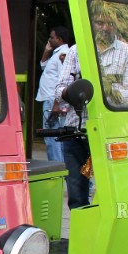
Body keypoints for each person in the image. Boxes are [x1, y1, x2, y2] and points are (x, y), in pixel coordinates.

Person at [54, 45, 91, 208]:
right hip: (76, 129)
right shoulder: (76, 51)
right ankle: (81, 231)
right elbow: (59, 90)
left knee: (113, 192)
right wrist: (70, 92)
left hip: (111, 132)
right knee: (76, 196)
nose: (103, 25)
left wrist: (105, 90)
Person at [36, 26, 72, 161]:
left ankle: (56, 168)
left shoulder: (64, 55)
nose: (49, 39)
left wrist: (57, 103)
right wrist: (46, 51)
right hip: (51, 99)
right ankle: (58, 166)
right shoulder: (56, 54)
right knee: (53, 136)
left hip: (53, 100)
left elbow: (64, 80)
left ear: (60, 39)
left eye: (52, 37)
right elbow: (43, 66)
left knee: (52, 137)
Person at [92, 7, 128, 105]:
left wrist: (110, 92)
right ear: (91, 23)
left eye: (110, 24)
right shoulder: (75, 51)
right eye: (100, 23)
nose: (105, 28)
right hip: (81, 118)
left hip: (113, 116)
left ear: (116, 26)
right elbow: (59, 91)